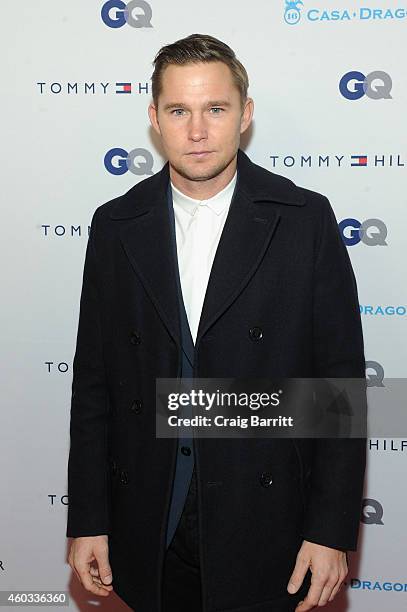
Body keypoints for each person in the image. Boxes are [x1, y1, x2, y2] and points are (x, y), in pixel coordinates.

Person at [67, 34, 367, 612]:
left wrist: (330, 530)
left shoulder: (304, 220)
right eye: (179, 111)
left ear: (245, 114)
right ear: (154, 118)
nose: (197, 131)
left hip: (267, 518)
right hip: (150, 517)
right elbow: (94, 385)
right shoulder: (115, 225)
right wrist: (88, 518)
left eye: (216, 109)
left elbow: (338, 390)